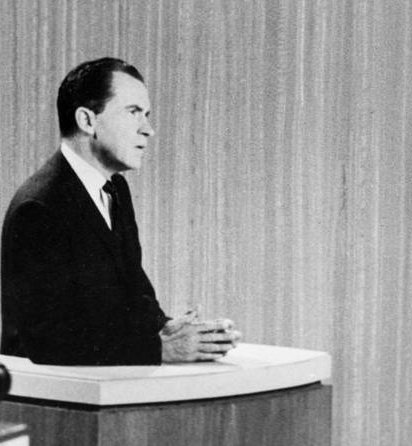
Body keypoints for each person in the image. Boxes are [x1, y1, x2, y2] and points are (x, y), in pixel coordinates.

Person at [1, 58, 242, 365]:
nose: (148, 130)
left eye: (147, 115)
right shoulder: (38, 208)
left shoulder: (115, 188)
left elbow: (133, 290)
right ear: (87, 121)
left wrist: (165, 328)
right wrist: (160, 349)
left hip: (105, 383)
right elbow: (46, 339)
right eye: (133, 112)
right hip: (53, 390)